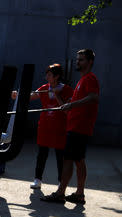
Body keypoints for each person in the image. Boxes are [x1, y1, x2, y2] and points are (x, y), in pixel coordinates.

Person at [41, 49, 100, 204]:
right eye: (77, 59)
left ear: (90, 62)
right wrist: (69, 106)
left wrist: (72, 104)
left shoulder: (90, 79)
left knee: (69, 159)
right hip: (76, 126)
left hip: (79, 127)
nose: (77, 62)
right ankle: (79, 194)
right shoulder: (82, 80)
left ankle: (61, 193)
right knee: (78, 159)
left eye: (81, 59)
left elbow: (94, 97)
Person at [12, 64, 74, 189]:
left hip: (60, 128)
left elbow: (66, 110)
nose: (46, 77)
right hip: (45, 126)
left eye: (49, 75)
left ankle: (61, 183)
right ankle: (37, 179)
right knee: (41, 154)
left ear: (57, 76)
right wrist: (17, 95)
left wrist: (56, 94)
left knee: (60, 157)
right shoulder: (44, 88)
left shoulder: (67, 90)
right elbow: (30, 96)